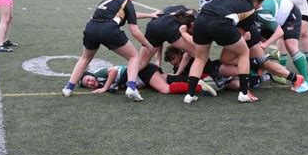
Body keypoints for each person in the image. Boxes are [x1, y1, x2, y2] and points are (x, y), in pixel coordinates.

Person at [61, 0, 156, 102]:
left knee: (85, 58)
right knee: (134, 57)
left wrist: (150, 15)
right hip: (108, 29)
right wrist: (148, 45)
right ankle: (131, 87)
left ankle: (69, 88)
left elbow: (129, 14)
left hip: (91, 28)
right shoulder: (127, 2)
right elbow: (135, 31)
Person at [183, 0, 266, 104]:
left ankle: (189, 95)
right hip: (220, 23)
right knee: (243, 52)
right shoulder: (250, 9)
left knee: (200, 58)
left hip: (200, 20)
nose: (259, 6)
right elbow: (240, 34)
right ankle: (244, 93)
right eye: (259, 3)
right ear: (255, 0)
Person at [139, 4, 230, 89]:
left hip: (153, 25)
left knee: (141, 63)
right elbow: (193, 46)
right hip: (168, 27)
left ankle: (127, 79)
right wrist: (184, 33)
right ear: (192, 23)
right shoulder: (184, 24)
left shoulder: (178, 11)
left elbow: (159, 40)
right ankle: (218, 78)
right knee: (199, 54)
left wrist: (158, 61)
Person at [256, 0, 308, 93]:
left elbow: (279, 32)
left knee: (291, 46)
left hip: (289, 15)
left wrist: (265, 44)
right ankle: (257, 74)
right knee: (257, 46)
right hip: (273, 16)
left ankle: (306, 81)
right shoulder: (248, 11)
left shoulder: (261, 13)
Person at [79, 63, 217, 97]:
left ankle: (199, 86)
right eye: (87, 84)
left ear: (92, 75)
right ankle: (208, 77)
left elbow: (113, 71)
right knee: (170, 79)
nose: (90, 82)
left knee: (165, 89)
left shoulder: (99, 74)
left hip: (144, 71)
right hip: (144, 76)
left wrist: (105, 87)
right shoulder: (99, 81)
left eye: (89, 79)